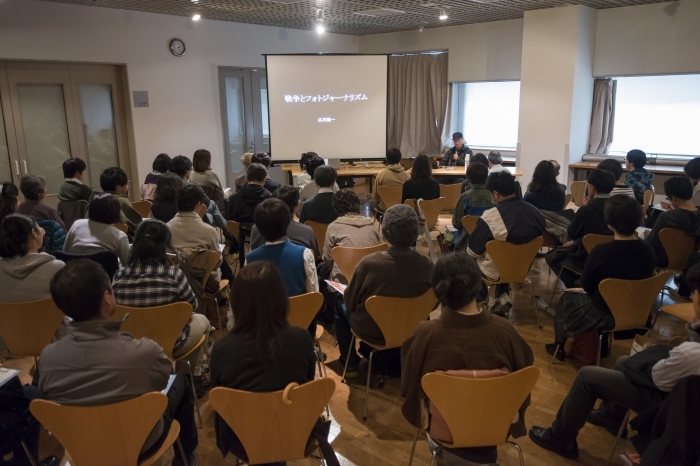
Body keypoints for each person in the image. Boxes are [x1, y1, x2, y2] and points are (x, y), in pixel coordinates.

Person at [530, 260, 700, 461]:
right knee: (623, 360)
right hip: (685, 399)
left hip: (674, 407)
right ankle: (611, 416)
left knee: (587, 376)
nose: (691, 296)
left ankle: (560, 438)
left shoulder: (692, 354)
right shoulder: (646, 252)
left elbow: (658, 377)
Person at [38, 260, 198, 466]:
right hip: (141, 443)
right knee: (180, 381)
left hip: (84, 446)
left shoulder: (48, 359)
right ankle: (186, 459)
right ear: (107, 298)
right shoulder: (144, 352)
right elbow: (160, 383)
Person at [401, 253, 534, 465]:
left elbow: (408, 388)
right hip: (496, 423)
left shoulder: (424, 335)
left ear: (437, 290)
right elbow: (524, 377)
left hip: (443, 427)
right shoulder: (506, 331)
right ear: (478, 285)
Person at [210, 262, 331, 466]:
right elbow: (305, 384)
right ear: (281, 298)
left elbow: (217, 397)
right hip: (293, 433)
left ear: (236, 302)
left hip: (241, 439)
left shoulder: (222, 348)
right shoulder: (301, 338)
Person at [547, 195, 656, 361]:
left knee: (567, 299)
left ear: (609, 223)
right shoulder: (648, 250)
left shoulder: (601, 251)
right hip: (639, 310)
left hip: (604, 312)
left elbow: (587, 285)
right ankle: (595, 346)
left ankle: (561, 346)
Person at [112, 219, 211, 396]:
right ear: (165, 246)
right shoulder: (174, 275)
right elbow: (192, 306)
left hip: (132, 344)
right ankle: (192, 375)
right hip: (171, 343)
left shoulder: (119, 276)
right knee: (203, 321)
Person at [338, 205, 433, 377]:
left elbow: (349, 301)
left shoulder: (368, 264)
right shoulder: (426, 264)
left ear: (385, 232)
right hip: (413, 327)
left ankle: (350, 365)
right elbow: (433, 304)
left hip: (372, 330)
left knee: (340, 308)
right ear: (415, 233)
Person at [467, 171, 545, 315]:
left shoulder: (490, 217)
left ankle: (480, 300)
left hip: (495, 270)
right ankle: (501, 296)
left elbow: (473, 251)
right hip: (523, 267)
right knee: (503, 257)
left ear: (495, 193)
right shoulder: (535, 212)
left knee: (470, 258)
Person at [546, 169, 615, 288]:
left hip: (585, 258)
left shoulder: (587, 210)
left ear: (592, 187)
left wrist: (581, 209)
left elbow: (572, 233)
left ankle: (576, 286)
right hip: (615, 258)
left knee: (552, 258)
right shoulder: (621, 206)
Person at [246, 198, 319, 297]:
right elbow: (313, 295)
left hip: (264, 312)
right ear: (287, 222)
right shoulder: (304, 253)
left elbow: (249, 296)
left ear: (258, 227)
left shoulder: (250, 259)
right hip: (299, 311)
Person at [0, 214, 65, 302]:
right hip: (46, 315)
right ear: (34, 232)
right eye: (39, 227)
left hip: (7, 316)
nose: (42, 230)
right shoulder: (56, 268)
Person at [323, 189, 383, 285]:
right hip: (370, 282)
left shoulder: (333, 227)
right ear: (357, 205)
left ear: (336, 208)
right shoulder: (372, 226)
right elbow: (381, 253)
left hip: (342, 284)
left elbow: (327, 260)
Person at [645, 176, 700, 268]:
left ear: (673, 198)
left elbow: (651, 243)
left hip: (664, 261)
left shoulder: (667, 217)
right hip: (691, 262)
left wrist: (648, 235)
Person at [63, 192, 129, 265]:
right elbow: (127, 265)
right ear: (115, 212)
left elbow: (65, 253)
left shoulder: (77, 224)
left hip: (74, 273)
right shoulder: (119, 236)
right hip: (105, 275)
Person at [250, 186, 318, 255]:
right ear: (295, 208)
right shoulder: (306, 231)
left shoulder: (256, 228)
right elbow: (314, 255)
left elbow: (253, 252)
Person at [169, 155, 228, 232]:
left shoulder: (164, 183)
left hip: (170, 219)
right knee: (212, 205)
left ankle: (227, 230)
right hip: (190, 216)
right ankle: (228, 230)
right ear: (186, 171)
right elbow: (206, 202)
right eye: (190, 169)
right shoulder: (189, 186)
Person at [228, 163, 272, 266]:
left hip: (242, 240)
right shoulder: (270, 199)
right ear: (265, 179)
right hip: (266, 242)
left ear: (246, 178)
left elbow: (231, 221)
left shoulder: (233, 199)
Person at [451, 162, 496, 251]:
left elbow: (456, 223)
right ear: (486, 178)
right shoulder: (494, 196)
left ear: (468, 179)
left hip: (467, 240)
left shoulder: (465, 197)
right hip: (490, 239)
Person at [100, 167, 142, 237]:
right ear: (118, 187)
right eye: (127, 183)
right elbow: (137, 224)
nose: (128, 186)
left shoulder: (95, 199)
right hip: (120, 239)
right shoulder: (122, 201)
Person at [374, 148, 410, 213]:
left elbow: (375, 197)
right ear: (400, 159)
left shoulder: (380, 175)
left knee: (371, 203)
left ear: (387, 159)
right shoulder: (408, 176)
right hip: (402, 208)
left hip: (385, 208)